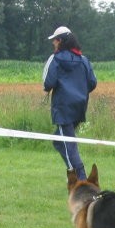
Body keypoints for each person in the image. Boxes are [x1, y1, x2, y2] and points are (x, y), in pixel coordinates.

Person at [43, 26, 97, 180]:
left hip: (63, 108)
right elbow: (92, 83)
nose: (53, 43)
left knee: (68, 145)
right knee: (59, 141)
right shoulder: (84, 60)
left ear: (60, 41)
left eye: (54, 40)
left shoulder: (56, 59)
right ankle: (72, 173)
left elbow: (48, 83)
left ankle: (80, 178)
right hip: (80, 108)